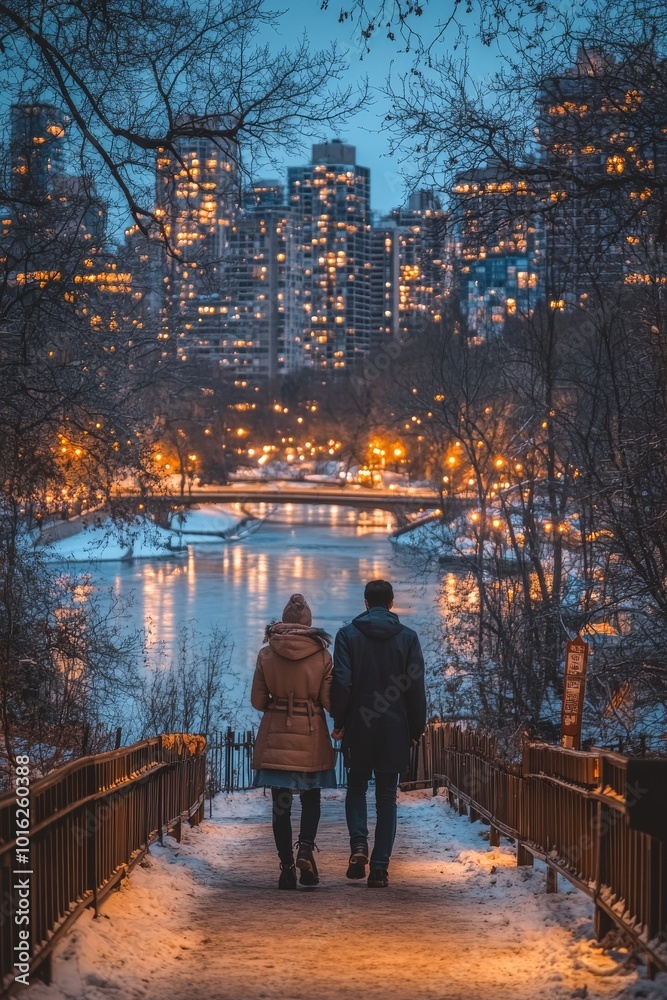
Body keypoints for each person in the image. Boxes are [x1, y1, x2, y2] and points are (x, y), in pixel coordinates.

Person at [331, 579, 426, 888]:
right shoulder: (408, 639)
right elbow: (415, 688)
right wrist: (416, 728)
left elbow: (342, 683)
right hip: (395, 727)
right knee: (386, 797)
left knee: (356, 788)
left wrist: (340, 721)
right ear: (392, 603)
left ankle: (359, 845)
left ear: (365, 603)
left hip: (359, 725)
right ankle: (380, 867)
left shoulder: (347, 635)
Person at [251, 593, 336, 889]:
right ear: (309, 623)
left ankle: (286, 867)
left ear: (284, 621)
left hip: (277, 735)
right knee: (312, 797)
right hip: (310, 735)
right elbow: (328, 701)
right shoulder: (323, 655)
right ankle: (305, 849)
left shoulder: (266, 653)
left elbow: (258, 701)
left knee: (280, 805)